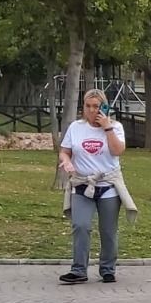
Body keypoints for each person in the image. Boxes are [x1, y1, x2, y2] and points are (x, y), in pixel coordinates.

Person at [58, 90, 133, 285]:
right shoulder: (76, 127)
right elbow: (65, 151)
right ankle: (78, 269)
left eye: (96, 106)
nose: (92, 111)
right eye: (88, 106)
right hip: (82, 183)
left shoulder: (115, 127)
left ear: (104, 108)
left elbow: (118, 151)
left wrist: (106, 128)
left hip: (108, 185)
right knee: (80, 225)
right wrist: (66, 161)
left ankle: (107, 269)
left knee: (108, 230)